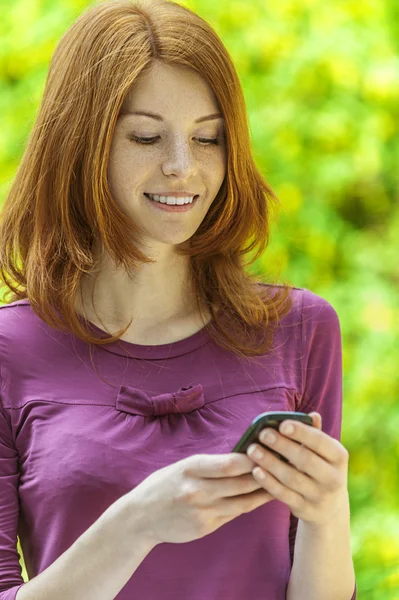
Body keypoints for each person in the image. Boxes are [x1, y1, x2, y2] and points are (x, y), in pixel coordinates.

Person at [0, 1, 357, 599]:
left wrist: (327, 512)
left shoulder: (301, 330)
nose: (182, 167)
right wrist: (137, 524)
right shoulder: (10, 351)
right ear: (80, 144)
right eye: (146, 136)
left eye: (207, 137)